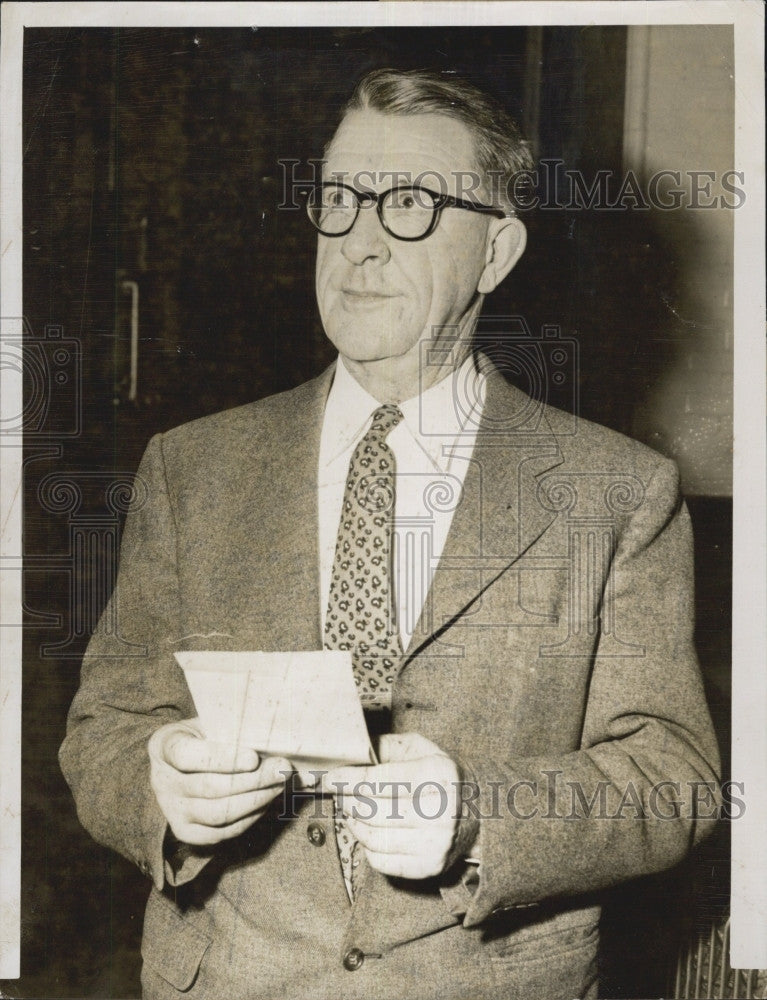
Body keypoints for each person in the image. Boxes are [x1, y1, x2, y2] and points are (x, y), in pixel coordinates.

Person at [60, 68, 720, 1000]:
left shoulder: (614, 493)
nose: (358, 244)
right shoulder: (192, 468)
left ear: (496, 253)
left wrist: (475, 816)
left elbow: (671, 778)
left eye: (407, 203)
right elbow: (106, 725)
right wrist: (159, 789)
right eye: (336, 199)